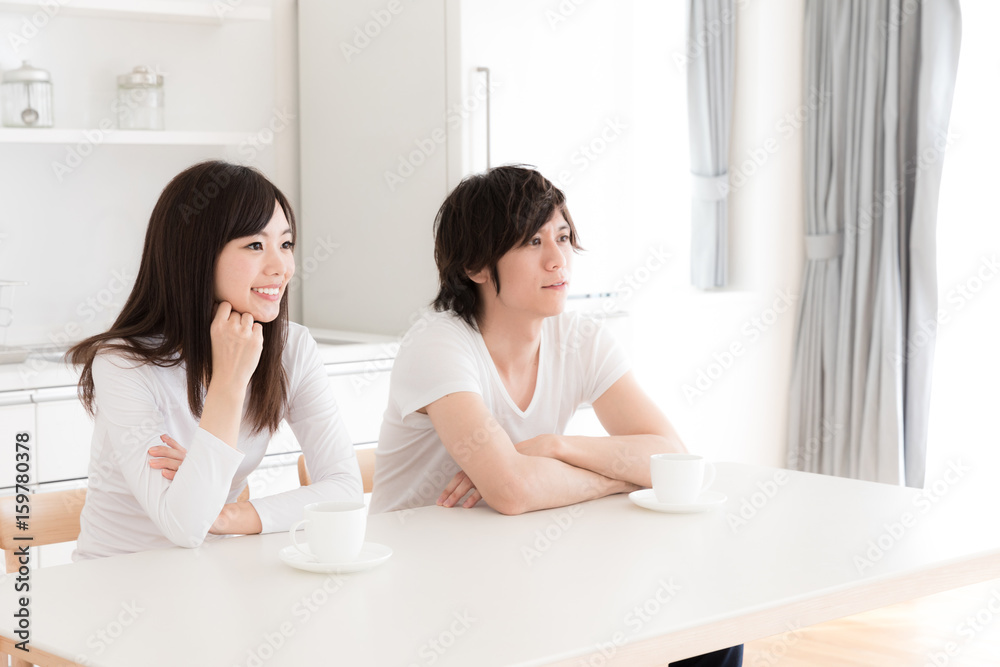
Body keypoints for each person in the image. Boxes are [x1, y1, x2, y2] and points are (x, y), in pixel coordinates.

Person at [369, 165, 742, 666]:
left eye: (563, 237)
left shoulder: (581, 340)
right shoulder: (438, 345)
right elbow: (514, 491)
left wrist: (555, 447)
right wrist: (621, 476)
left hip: (524, 567)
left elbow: (673, 459)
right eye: (532, 242)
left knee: (709, 623)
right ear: (478, 267)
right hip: (428, 592)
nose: (557, 260)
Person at [68, 161, 362, 560]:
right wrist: (229, 380)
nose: (281, 267)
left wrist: (222, 513)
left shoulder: (292, 347)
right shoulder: (123, 364)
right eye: (256, 245)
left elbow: (344, 487)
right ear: (198, 255)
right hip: (115, 585)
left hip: (212, 574)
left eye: (286, 244)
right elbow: (186, 528)